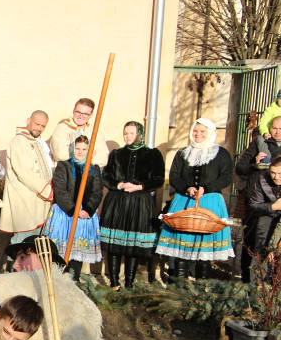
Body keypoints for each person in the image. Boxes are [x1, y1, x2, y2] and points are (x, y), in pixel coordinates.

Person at [156, 118, 235, 280]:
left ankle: (201, 287)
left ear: (210, 133)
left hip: (209, 203)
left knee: (203, 250)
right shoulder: (183, 153)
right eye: (195, 131)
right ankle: (179, 286)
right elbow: (174, 176)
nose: (198, 134)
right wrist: (187, 187)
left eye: (202, 131)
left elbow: (226, 177)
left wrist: (206, 188)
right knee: (181, 246)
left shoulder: (221, 154)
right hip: (184, 202)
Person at [100, 121, 166, 288]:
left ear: (140, 134)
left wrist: (140, 186)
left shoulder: (152, 154)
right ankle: (114, 282)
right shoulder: (116, 154)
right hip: (117, 203)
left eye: (131, 133)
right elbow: (106, 176)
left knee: (133, 245)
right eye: (125, 133)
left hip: (139, 204)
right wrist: (119, 184)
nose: (127, 136)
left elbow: (158, 179)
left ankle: (129, 283)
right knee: (114, 244)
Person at [43, 135, 103, 282]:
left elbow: (97, 191)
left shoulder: (94, 169)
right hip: (66, 213)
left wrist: (88, 210)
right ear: (72, 149)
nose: (80, 152)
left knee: (77, 248)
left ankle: (74, 279)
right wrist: (72, 209)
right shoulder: (64, 166)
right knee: (60, 250)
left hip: (84, 214)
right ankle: (58, 279)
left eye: (84, 149)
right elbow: (60, 190)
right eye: (77, 148)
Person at [236, 116, 281, 282]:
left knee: (274, 247)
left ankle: (271, 283)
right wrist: (254, 163)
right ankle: (247, 280)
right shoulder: (260, 143)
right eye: (274, 128)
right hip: (259, 199)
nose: (277, 132)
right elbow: (240, 168)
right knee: (253, 242)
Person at [0, 111, 54, 247]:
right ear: (28, 121)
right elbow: (24, 172)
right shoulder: (19, 141)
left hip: (37, 199)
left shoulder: (37, 142)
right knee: (21, 242)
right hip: (23, 199)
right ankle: (13, 262)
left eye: (43, 126)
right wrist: (47, 190)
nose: (39, 128)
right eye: (37, 124)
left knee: (33, 242)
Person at [48, 97, 108, 168]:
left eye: (85, 114)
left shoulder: (94, 131)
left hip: (89, 171)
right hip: (67, 171)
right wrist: (90, 155)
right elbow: (60, 155)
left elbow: (103, 157)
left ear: (91, 115)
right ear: (73, 111)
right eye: (78, 112)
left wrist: (77, 154)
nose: (81, 116)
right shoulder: (62, 128)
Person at [244, 160, 281, 275]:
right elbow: (254, 204)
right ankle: (256, 281)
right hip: (267, 216)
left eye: (280, 173)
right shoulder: (263, 179)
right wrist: (272, 207)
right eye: (273, 173)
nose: (276, 177)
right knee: (260, 253)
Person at [256, 90, 281, 167]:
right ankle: (266, 159)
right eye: (280, 98)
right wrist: (265, 133)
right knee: (260, 139)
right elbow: (263, 123)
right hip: (271, 136)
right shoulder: (270, 110)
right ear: (277, 98)